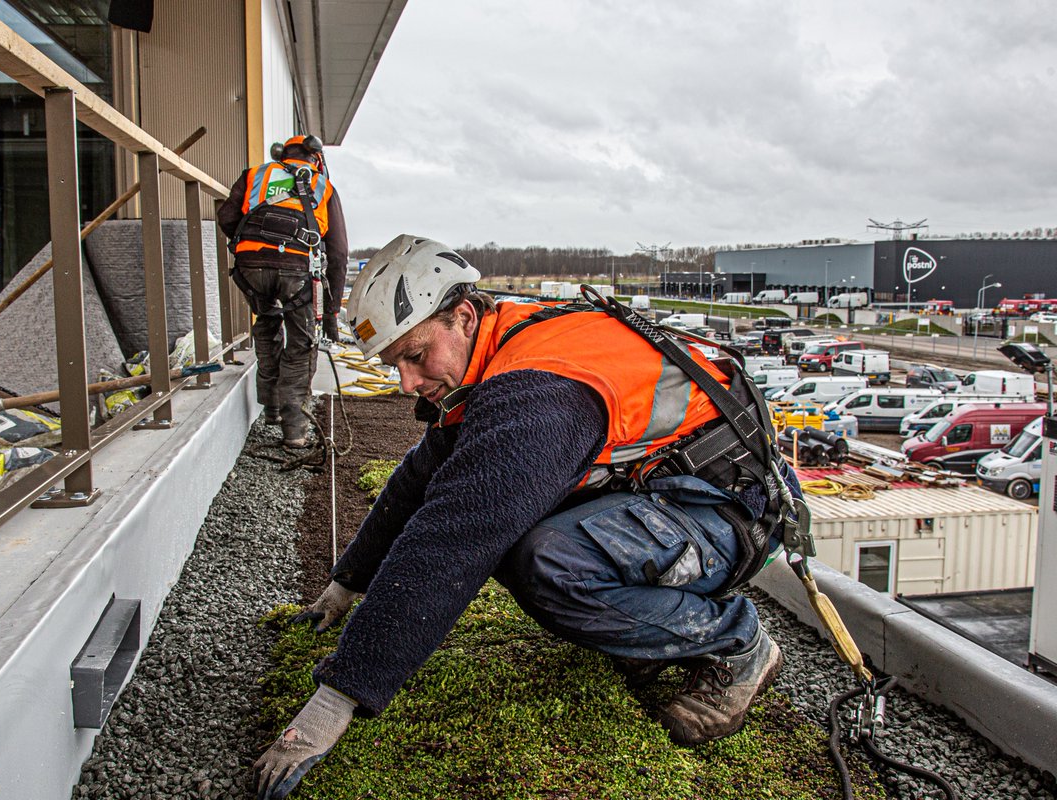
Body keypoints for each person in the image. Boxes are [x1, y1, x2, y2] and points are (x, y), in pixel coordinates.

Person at [252, 235, 805, 799]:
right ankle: (641, 632)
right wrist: (345, 585)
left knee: (546, 560)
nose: (408, 384)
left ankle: (735, 641)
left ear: (463, 317)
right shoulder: (501, 343)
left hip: (724, 516)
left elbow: (453, 539)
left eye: (415, 358)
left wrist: (335, 700)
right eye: (397, 366)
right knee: (517, 534)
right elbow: (423, 479)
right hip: (665, 500)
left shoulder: (541, 389)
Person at [217, 134, 348, 447]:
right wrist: (330, 312)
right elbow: (339, 253)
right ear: (316, 158)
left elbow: (227, 217)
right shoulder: (322, 186)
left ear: (282, 156)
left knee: (267, 323)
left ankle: (272, 407)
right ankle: (294, 431)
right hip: (296, 273)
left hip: (250, 269)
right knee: (301, 344)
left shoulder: (255, 175)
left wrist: (254, 244)